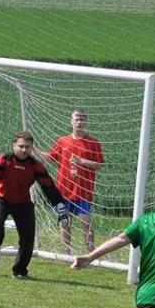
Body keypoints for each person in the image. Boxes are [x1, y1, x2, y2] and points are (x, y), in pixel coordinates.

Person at [0, 131, 67, 279]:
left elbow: (48, 187)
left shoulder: (36, 166)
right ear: (14, 145)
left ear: (31, 148)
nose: (24, 150)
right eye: (21, 146)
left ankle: (20, 270)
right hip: (0, 199)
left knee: (28, 236)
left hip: (23, 203)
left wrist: (60, 206)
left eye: (27, 147)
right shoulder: (4, 159)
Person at [41, 108, 105, 254]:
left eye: (82, 119)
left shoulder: (93, 143)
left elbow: (99, 165)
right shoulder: (62, 141)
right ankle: (67, 253)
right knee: (65, 222)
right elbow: (50, 157)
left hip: (84, 191)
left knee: (86, 223)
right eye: (76, 119)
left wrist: (82, 161)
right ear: (71, 121)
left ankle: (91, 253)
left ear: (86, 121)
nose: (79, 122)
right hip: (64, 191)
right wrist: (33, 149)